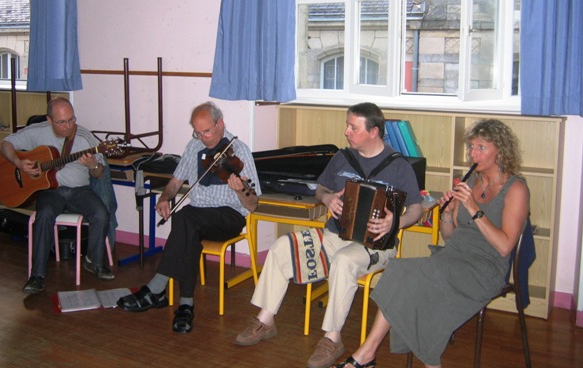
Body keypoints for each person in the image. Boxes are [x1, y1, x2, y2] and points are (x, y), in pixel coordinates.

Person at [235, 102, 423, 368]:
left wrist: (398, 221)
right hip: (332, 237)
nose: (346, 131)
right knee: (281, 246)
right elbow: (320, 188)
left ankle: (332, 338)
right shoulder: (342, 158)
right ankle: (265, 320)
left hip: (374, 247)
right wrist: (328, 199)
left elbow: (416, 206)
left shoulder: (398, 166)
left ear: (374, 132)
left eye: (353, 127)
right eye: (347, 125)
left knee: (345, 261)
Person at [329, 119, 530, 368]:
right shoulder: (471, 182)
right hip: (454, 257)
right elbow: (450, 236)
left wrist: (473, 209)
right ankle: (370, 355)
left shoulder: (516, 188)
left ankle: (368, 355)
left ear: (500, 150)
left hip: (486, 268)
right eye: (471, 148)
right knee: (400, 271)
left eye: (481, 148)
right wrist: (447, 212)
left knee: (411, 275)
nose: (473, 154)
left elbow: (504, 246)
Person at [117, 101, 260, 333]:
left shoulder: (239, 151)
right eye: (198, 132)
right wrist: (164, 198)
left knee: (186, 217)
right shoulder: (194, 146)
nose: (203, 137)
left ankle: (156, 289)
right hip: (197, 217)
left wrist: (240, 189)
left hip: (228, 217)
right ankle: (185, 306)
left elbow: (253, 205)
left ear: (220, 124)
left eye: (207, 131)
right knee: (188, 228)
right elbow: (175, 181)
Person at [0, 97, 115, 295]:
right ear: (49, 120)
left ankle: (93, 261)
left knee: (101, 213)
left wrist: (92, 164)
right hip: (50, 192)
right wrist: (18, 163)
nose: (68, 126)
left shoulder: (85, 137)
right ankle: (37, 275)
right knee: (44, 215)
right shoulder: (37, 131)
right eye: (62, 122)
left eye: (71, 119)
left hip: (79, 191)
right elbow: (4, 144)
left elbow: (99, 174)